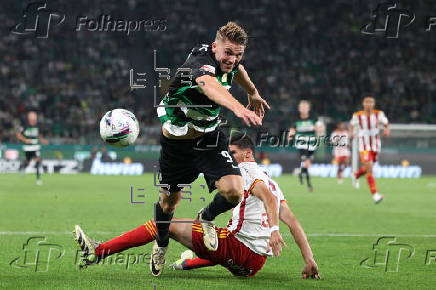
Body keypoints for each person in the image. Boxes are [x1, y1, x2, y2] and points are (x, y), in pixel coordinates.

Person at [73, 134, 319, 279]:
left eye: (232, 153)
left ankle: (100, 251)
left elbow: (268, 198)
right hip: (254, 265)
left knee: (165, 225)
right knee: (214, 239)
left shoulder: (246, 170)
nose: (228, 158)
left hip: (238, 250)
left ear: (247, 154)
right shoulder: (273, 182)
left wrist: (274, 230)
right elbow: (294, 222)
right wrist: (309, 260)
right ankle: (187, 263)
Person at [153, 22, 269, 275]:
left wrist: (253, 93)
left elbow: (237, 69)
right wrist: (239, 108)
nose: (233, 58)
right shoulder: (199, 63)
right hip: (177, 144)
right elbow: (208, 85)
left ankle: (205, 218)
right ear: (214, 46)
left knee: (234, 191)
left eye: (238, 53)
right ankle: (160, 244)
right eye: (228, 52)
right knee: (168, 203)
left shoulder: (230, 59)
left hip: (208, 138)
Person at [350, 96, 390, 203]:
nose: (368, 104)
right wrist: (351, 133)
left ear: (374, 104)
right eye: (366, 102)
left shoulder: (379, 114)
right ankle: (375, 194)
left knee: (369, 167)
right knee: (369, 167)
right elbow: (351, 125)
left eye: (371, 102)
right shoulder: (357, 115)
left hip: (375, 145)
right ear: (363, 104)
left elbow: (386, 123)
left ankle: (356, 174)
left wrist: (386, 130)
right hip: (363, 145)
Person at [289, 100, 324, 192]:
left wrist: (316, 128)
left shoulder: (314, 118)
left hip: (312, 145)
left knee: (307, 165)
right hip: (301, 145)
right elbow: (292, 130)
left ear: (308, 108)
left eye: (305, 107)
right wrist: (290, 135)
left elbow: (321, 128)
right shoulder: (296, 120)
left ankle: (301, 172)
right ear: (299, 108)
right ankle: (309, 185)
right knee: (306, 163)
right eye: (302, 107)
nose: (303, 109)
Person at [15, 111, 48, 185]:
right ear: (29, 117)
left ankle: (38, 179)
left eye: (35, 115)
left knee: (38, 160)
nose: (35, 117)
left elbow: (38, 135)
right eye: (33, 115)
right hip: (28, 147)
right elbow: (18, 135)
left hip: (35, 146)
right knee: (28, 160)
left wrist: (42, 140)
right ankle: (22, 168)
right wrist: (25, 140)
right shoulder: (25, 126)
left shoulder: (38, 125)